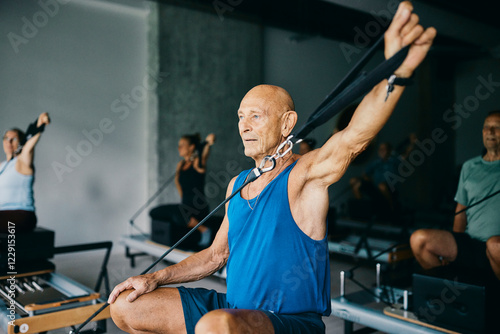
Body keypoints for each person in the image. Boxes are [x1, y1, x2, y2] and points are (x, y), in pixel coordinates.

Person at [108, 3, 435, 333]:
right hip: (233, 309)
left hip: (288, 321)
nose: (244, 126)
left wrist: (397, 71)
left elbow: (353, 138)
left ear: (287, 123)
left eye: (256, 116)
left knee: (216, 326)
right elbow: (214, 256)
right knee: (127, 306)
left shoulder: (304, 176)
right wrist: (154, 277)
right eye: (240, 117)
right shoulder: (237, 183)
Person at [410, 110, 500, 280]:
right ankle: (450, 293)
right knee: (418, 239)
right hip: (472, 243)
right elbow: (461, 208)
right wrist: (456, 242)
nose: (490, 132)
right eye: (487, 127)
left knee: (495, 245)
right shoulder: (469, 166)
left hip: (497, 245)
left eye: (497, 127)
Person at [0, 112, 50, 233]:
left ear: (20, 143)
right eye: (6, 138)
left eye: (14, 139)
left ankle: (12, 252)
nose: (9, 142)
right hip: (2, 215)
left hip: (20, 215)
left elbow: (28, 147)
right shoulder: (2, 166)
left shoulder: (22, 161)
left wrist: (40, 124)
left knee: (8, 229)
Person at [349, 135, 416, 219]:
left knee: (382, 186)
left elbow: (406, 153)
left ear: (389, 151)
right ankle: (361, 210)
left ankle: (391, 208)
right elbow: (365, 174)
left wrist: (412, 143)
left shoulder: (394, 160)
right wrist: (368, 179)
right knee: (354, 182)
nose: (382, 151)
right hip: (375, 188)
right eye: (380, 149)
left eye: (384, 149)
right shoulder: (376, 163)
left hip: (389, 189)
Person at [175, 133, 216, 247]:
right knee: (176, 213)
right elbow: (177, 182)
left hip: (198, 206)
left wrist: (208, 144)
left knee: (180, 215)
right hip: (186, 204)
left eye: (182, 145)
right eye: (179, 145)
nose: (179, 148)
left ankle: (204, 230)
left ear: (191, 147)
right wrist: (183, 199)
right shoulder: (181, 164)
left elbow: (204, 155)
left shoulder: (198, 162)